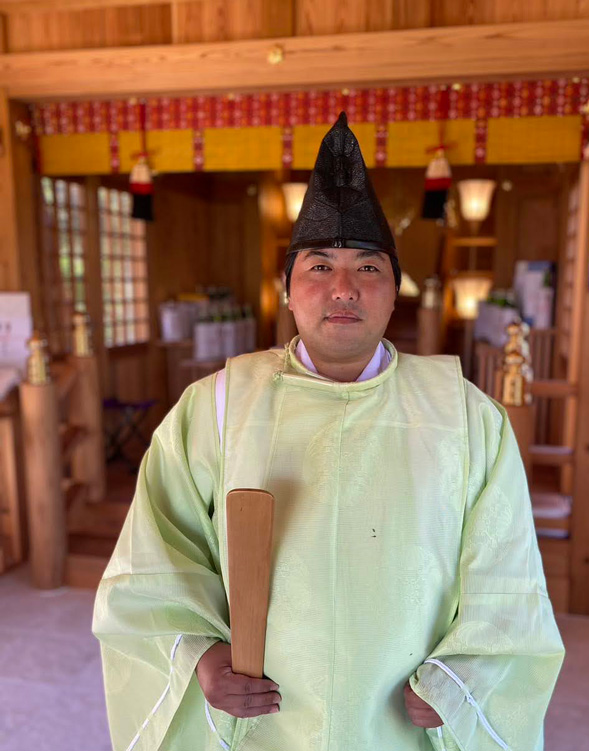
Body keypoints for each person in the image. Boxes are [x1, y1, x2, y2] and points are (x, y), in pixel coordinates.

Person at [93, 112, 564, 751]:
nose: (342, 288)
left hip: (404, 715)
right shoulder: (219, 406)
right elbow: (153, 559)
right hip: (262, 715)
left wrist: (463, 676)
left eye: (368, 268)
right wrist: (202, 658)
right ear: (287, 290)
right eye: (318, 266)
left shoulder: (466, 416)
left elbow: (507, 575)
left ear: (394, 292)